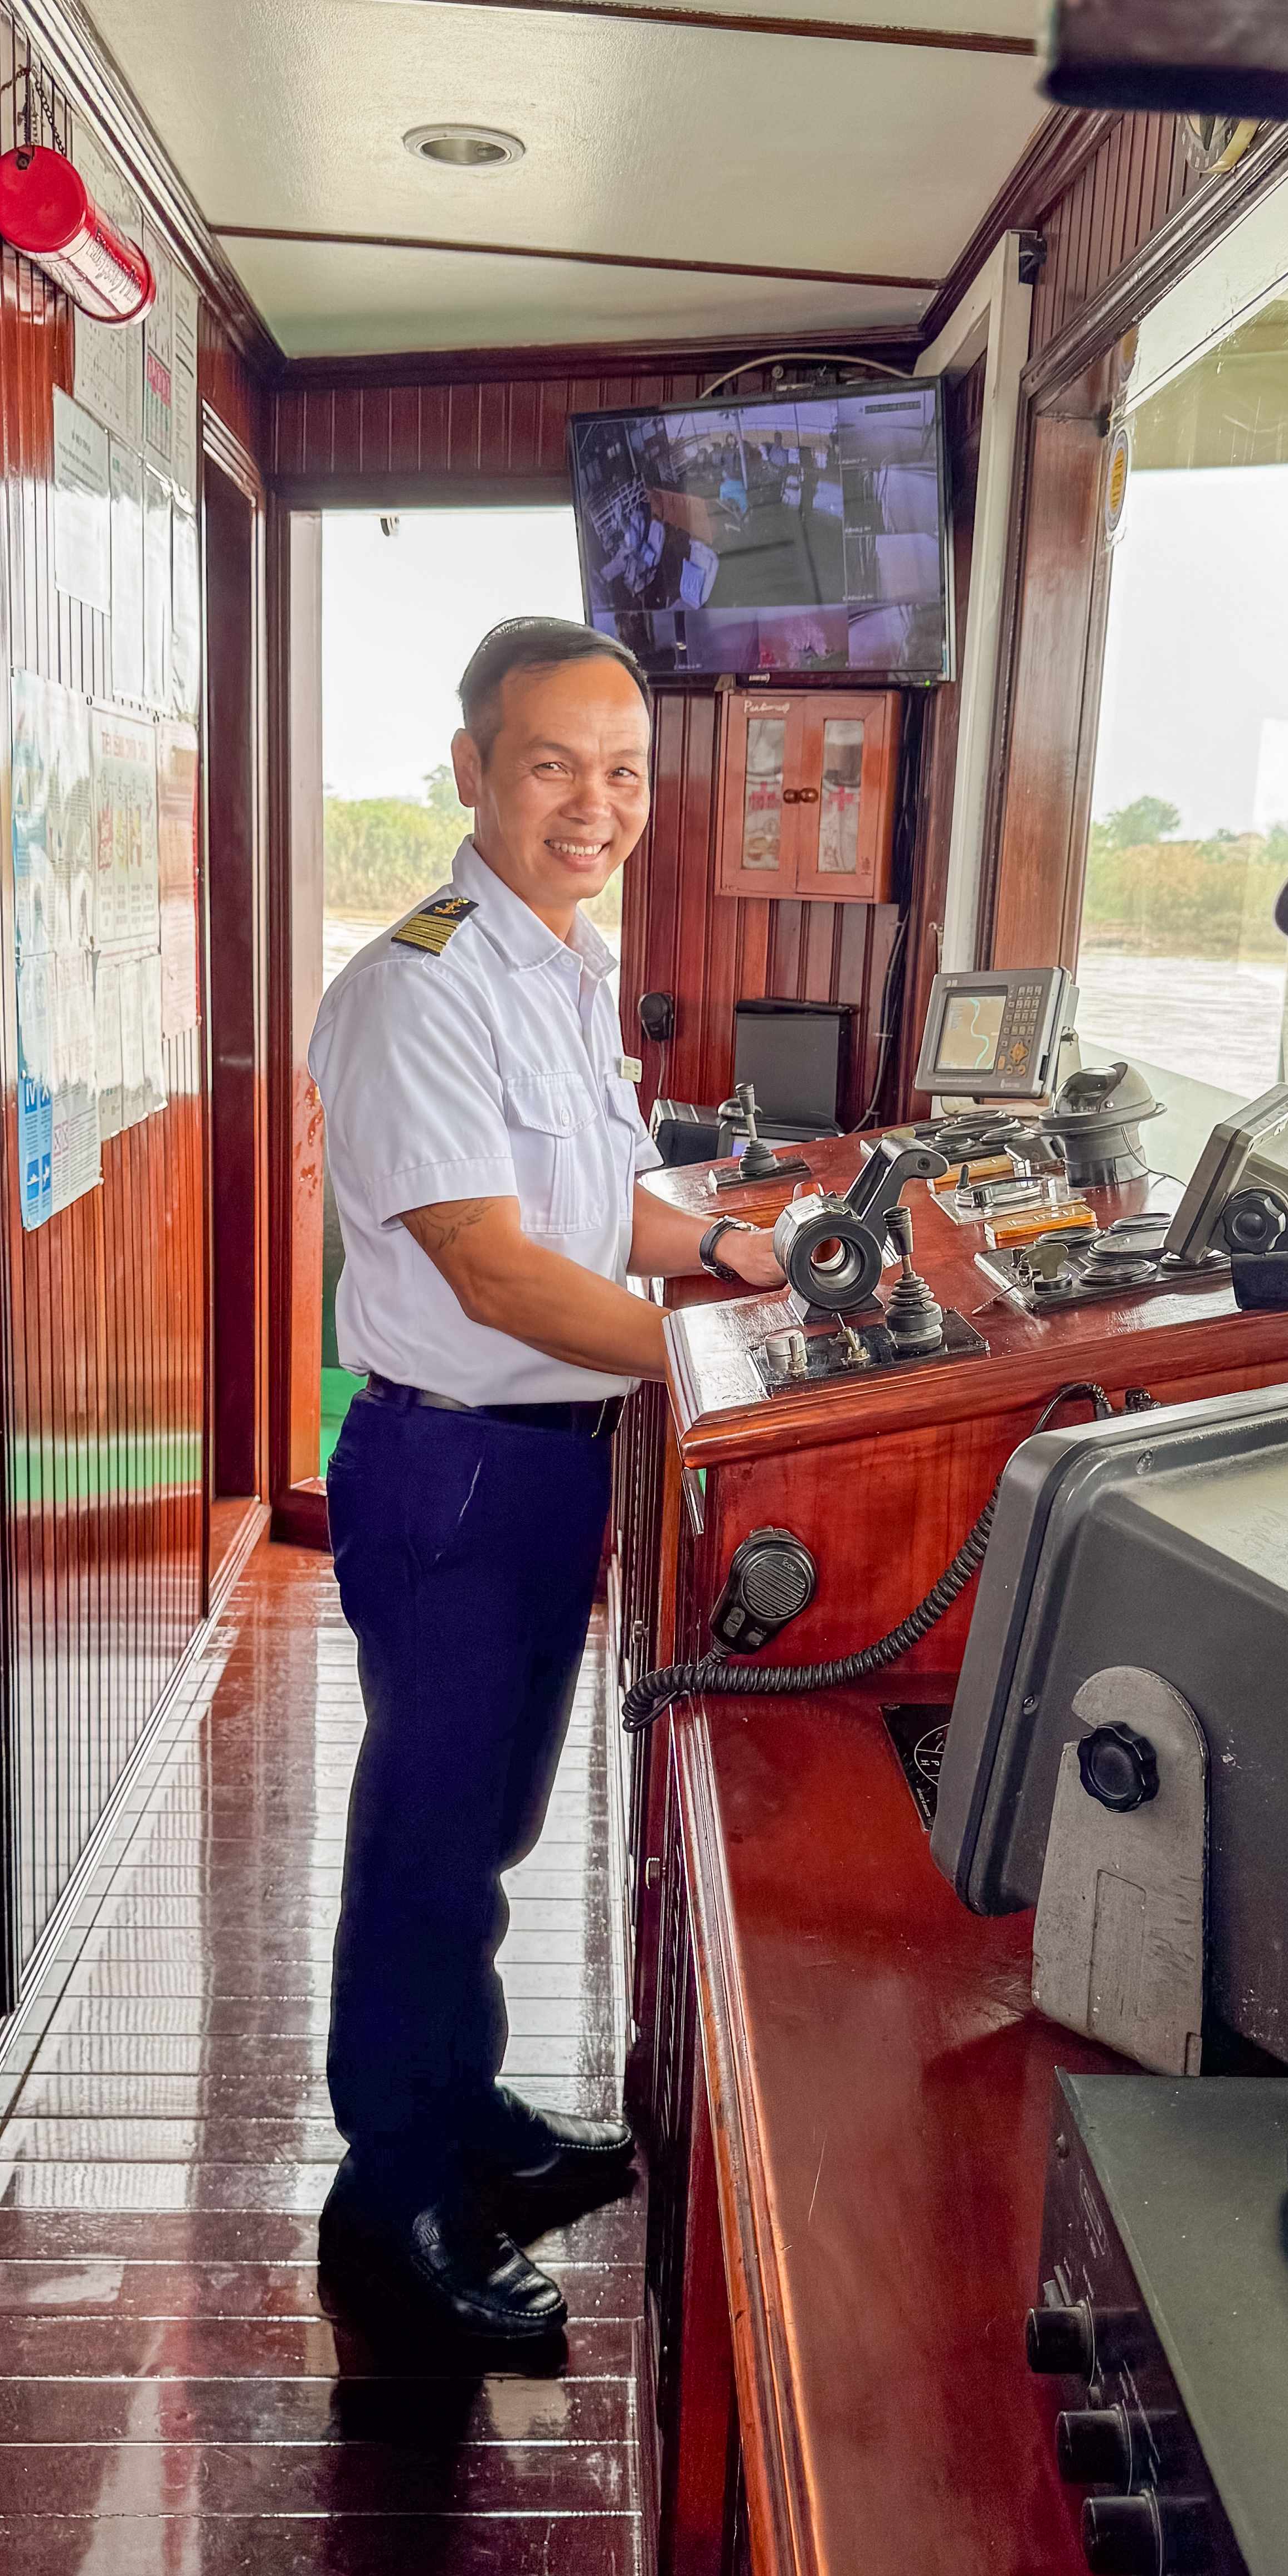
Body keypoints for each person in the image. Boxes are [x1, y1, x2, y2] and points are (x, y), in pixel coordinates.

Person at [309, 616, 785, 2349]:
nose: (596, 806)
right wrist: (707, 1362)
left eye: (624, 772)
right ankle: (391, 2204)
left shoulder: (565, 964)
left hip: (548, 1466)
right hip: (451, 1465)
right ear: (473, 772)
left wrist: (738, 1255)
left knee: (493, 1821)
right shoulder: (419, 987)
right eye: (553, 767)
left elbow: (607, 1207)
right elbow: (498, 1271)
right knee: (429, 1840)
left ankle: (466, 2106)